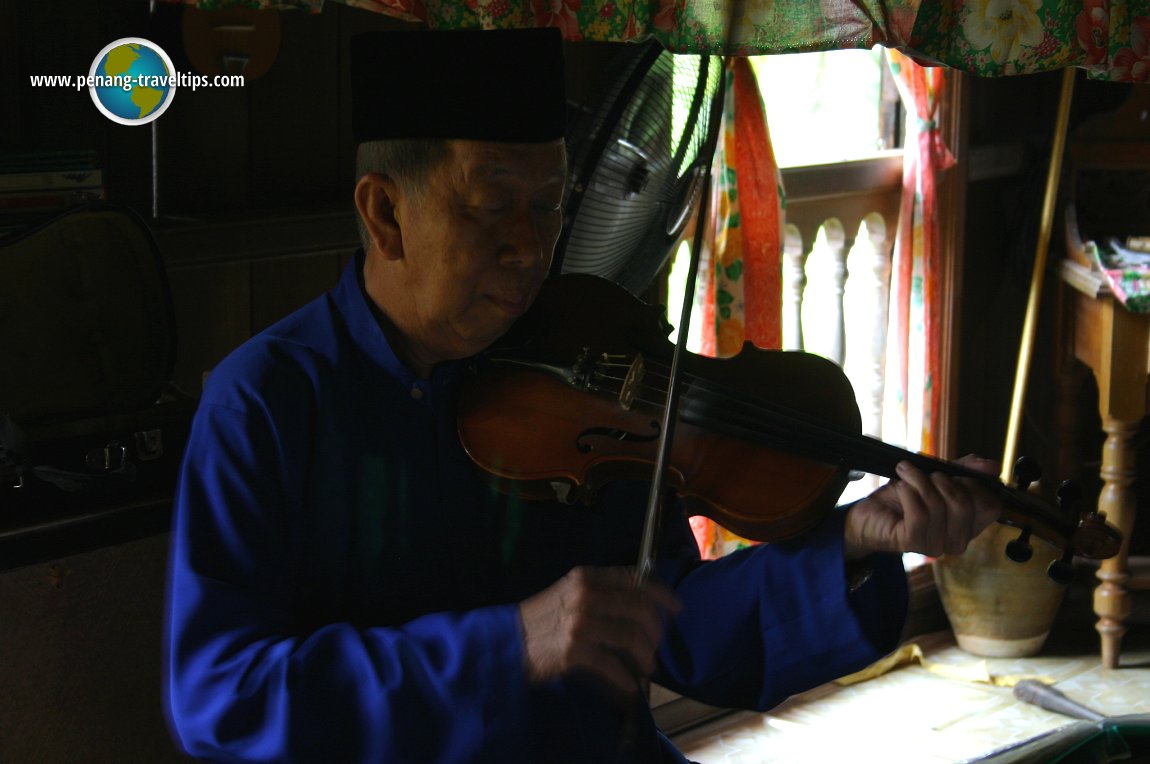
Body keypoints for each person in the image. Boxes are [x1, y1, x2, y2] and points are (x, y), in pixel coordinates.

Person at [163, 27, 1002, 763]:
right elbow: (220, 695)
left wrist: (850, 543)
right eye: (491, 206)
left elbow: (668, 621)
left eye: (550, 205)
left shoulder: (587, 367)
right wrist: (506, 646)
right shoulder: (266, 402)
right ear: (385, 215)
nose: (531, 247)